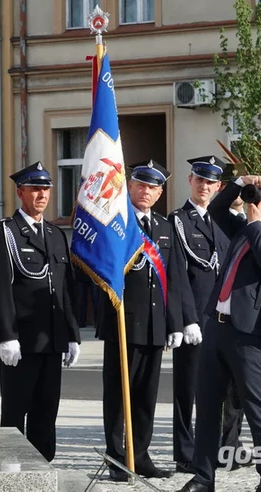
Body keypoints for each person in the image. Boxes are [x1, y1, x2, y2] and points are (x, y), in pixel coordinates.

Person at [179, 176, 261, 492]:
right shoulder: (251, 227)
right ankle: (203, 478)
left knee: (256, 407)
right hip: (216, 326)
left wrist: (254, 225)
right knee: (208, 405)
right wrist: (239, 183)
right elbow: (219, 209)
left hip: (249, 334)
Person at [0, 162, 80, 462]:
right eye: (35, 189)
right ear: (20, 192)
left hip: (51, 338)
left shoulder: (54, 234)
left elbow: (64, 290)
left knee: (46, 410)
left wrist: (72, 333)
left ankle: (42, 469)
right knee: (15, 410)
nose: (41, 195)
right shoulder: (7, 231)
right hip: (21, 339)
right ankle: (11, 471)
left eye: (46, 189)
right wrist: (7, 335)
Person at [99, 161, 184, 481]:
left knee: (146, 394)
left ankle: (141, 454)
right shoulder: (114, 223)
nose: (146, 191)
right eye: (141, 185)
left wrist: (174, 322)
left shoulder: (163, 227)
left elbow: (172, 279)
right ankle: (118, 457)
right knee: (120, 395)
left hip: (154, 323)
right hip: (123, 321)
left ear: (160, 193)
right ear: (129, 187)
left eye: (153, 188)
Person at [169, 156, 231, 474]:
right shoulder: (178, 220)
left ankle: (218, 449)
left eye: (211, 182)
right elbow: (177, 274)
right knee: (187, 389)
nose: (204, 186)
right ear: (190, 181)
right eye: (200, 180)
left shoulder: (221, 220)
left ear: (219, 187)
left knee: (219, 390)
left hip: (222, 319)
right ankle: (185, 452)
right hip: (196, 319)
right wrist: (186, 319)